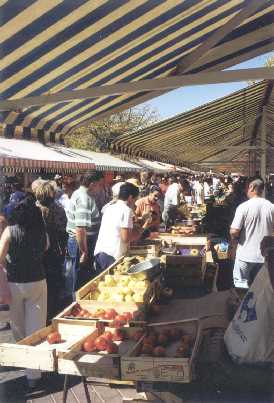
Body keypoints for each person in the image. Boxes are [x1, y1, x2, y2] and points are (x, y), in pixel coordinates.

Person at [0, 197, 48, 388]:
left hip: (14, 283)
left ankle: (24, 360)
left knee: (19, 327)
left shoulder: (10, 232)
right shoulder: (42, 232)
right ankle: (33, 374)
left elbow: (0, 256)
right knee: (35, 328)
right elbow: (46, 249)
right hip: (37, 281)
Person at [230, 178, 274, 289]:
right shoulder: (271, 207)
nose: (245, 190)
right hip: (264, 256)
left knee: (241, 285)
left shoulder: (243, 207)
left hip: (245, 255)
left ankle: (242, 305)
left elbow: (234, 231)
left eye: (246, 187)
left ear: (252, 187)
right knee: (262, 288)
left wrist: (233, 245)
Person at [34, 181, 67, 321]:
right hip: (53, 250)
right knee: (53, 284)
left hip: (37, 252)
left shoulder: (33, 208)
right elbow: (62, 229)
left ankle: (40, 314)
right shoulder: (57, 208)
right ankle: (51, 314)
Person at [94, 182, 145, 272]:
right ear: (130, 197)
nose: (135, 202)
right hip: (112, 257)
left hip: (101, 253)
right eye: (135, 199)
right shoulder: (126, 210)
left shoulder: (109, 208)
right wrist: (142, 229)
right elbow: (126, 238)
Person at [66, 173, 101, 295]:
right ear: (92, 184)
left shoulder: (79, 193)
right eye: (99, 185)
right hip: (81, 243)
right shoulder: (84, 199)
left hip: (80, 242)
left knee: (76, 276)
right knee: (78, 278)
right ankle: (75, 304)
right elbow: (80, 229)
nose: (99, 188)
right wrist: (84, 251)